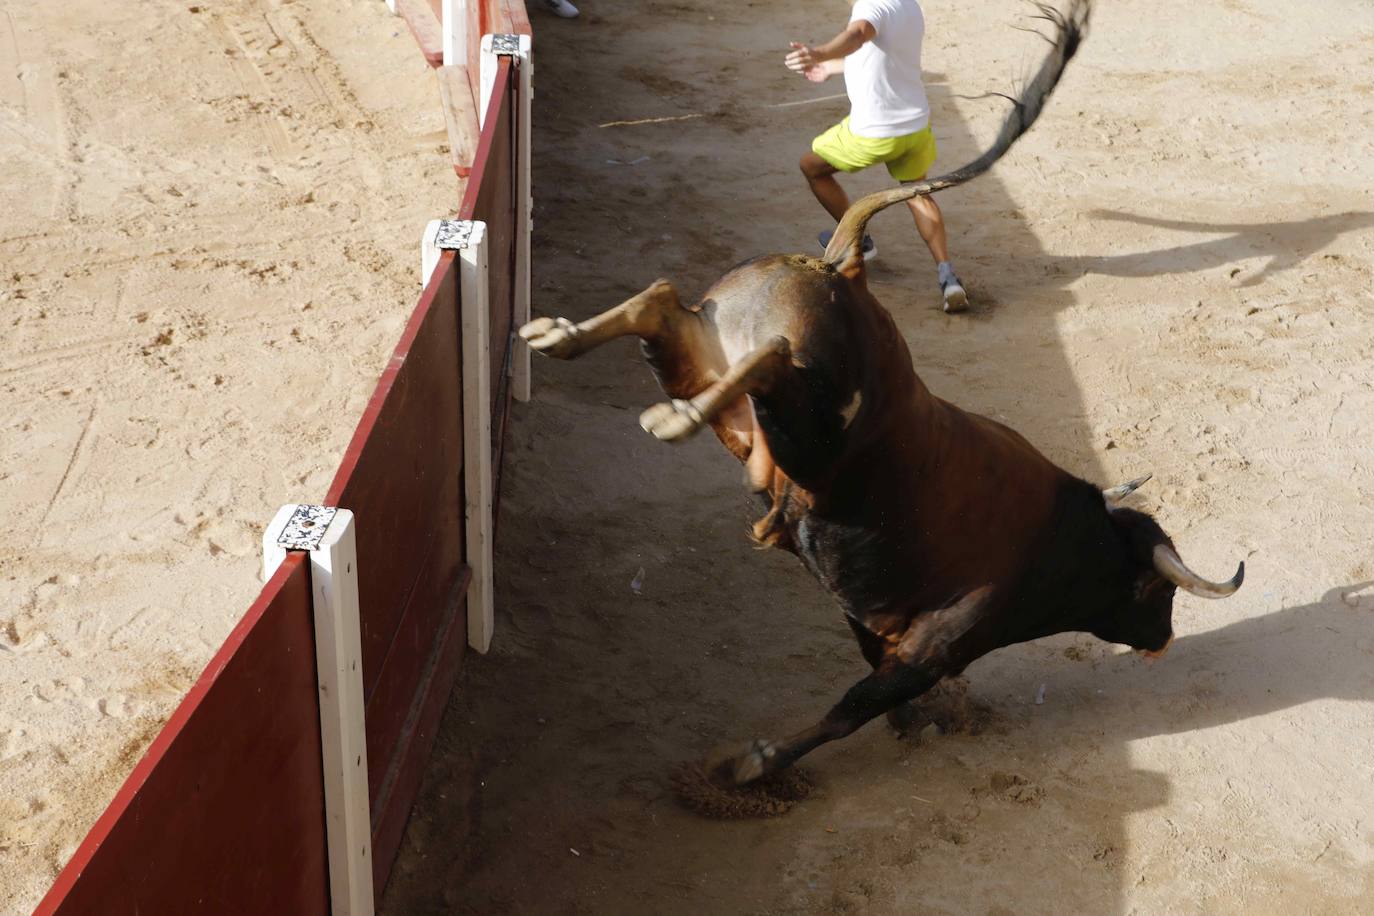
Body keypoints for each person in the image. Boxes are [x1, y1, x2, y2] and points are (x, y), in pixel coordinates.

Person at [786, 0, 967, 312]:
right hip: (915, 126)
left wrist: (819, 53)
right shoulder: (908, 5)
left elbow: (857, 35)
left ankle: (860, 239)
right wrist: (831, 67)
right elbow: (879, 54)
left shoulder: (872, 6)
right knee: (918, 194)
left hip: (875, 131)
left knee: (812, 167)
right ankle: (948, 276)